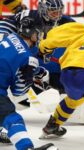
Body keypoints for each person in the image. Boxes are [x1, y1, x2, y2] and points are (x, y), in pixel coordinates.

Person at [0, 16, 57, 150]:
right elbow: (18, 91)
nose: (40, 37)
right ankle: (26, 147)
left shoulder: (11, 37)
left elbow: (13, 57)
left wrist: (36, 71)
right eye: (38, 33)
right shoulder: (27, 57)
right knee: (13, 119)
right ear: (31, 34)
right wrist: (32, 81)